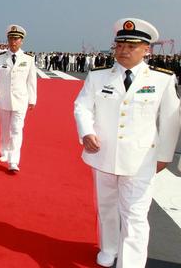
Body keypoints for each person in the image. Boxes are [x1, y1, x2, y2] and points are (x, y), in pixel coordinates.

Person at [74, 18, 180, 268]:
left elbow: (170, 120)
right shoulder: (98, 76)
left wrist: (164, 155)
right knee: (107, 208)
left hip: (141, 160)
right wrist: (86, 132)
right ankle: (109, 248)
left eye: (131, 46)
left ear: (146, 50)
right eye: (119, 45)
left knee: (135, 216)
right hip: (103, 154)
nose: (123, 50)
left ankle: (130, 263)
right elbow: (82, 106)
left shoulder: (161, 79)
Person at [0, 24, 37, 172]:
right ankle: (4, 151)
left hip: (20, 99)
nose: (13, 42)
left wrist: (32, 99)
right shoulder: (0, 58)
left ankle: (14, 160)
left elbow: (31, 81)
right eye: (10, 38)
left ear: (21, 41)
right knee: (4, 129)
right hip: (3, 100)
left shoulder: (28, 59)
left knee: (16, 129)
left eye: (16, 39)